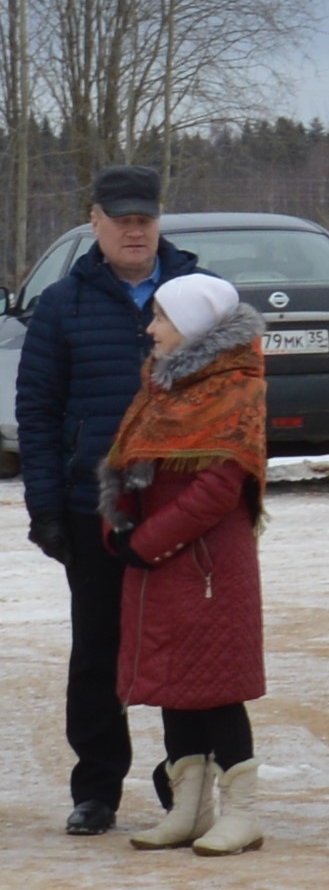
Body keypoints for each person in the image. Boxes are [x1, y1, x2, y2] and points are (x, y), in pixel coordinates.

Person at [18, 163, 199, 834]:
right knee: (98, 650)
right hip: (90, 506)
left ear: (158, 221)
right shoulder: (64, 304)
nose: (133, 229)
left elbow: (239, 400)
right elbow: (37, 412)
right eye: (120, 219)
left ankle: (188, 778)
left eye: (144, 218)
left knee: (184, 649)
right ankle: (96, 788)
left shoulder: (197, 297)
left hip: (179, 509)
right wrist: (45, 507)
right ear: (94, 222)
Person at [96, 273, 269, 857]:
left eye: (162, 318)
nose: (150, 328)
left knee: (217, 687)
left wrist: (148, 541)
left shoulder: (234, 389)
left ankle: (241, 814)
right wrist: (116, 521)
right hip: (158, 563)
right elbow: (126, 462)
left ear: (193, 325)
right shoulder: (162, 387)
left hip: (208, 567)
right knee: (176, 684)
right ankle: (188, 810)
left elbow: (220, 486)